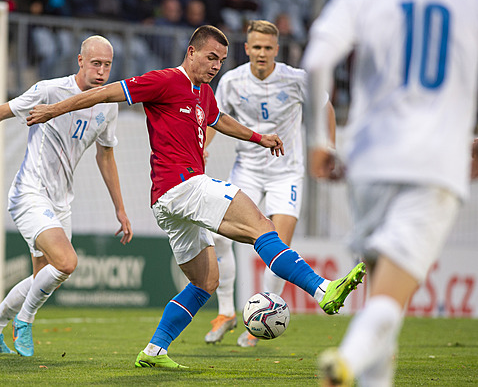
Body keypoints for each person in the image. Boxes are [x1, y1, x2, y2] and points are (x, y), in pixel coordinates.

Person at [26, 25, 365, 368]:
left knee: (206, 282)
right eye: (211, 57)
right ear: (191, 53)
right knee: (261, 226)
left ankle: (155, 350)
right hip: (183, 185)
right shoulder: (165, 80)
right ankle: (323, 290)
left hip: (167, 201)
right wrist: (55, 110)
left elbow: (219, 120)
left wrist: (258, 138)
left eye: (221, 60)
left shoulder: (203, 93)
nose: (216, 65)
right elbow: (105, 93)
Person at [302, 0, 478, 385]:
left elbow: (316, 63)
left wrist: (318, 143)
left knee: (380, 293)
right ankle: (344, 362)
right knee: (389, 299)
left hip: (368, 163)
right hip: (434, 165)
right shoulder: (469, 3)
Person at [0, 35, 133, 357]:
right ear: (80, 61)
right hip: (29, 193)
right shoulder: (49, 90)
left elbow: (105, 156)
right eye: (95, 63)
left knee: (44, 277)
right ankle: (24, 320)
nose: (102, 71)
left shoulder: (108, 105)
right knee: (67, 262)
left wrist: (120, 209)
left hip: (62, 201)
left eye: (107, 65)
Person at [203, 19, 337, 348]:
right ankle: (225, 312)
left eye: (267, 48)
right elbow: (214, 118)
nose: (261, 53)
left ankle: (260, 320)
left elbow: (326, 108)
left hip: (286, 172)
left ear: (276, 50)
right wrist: (202, 147)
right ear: (246, 49)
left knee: (278, 245)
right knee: (220, 235)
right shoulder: (232, 81)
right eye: (256, 47)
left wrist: (329, 149)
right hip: (246, 168)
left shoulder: (297, 79)